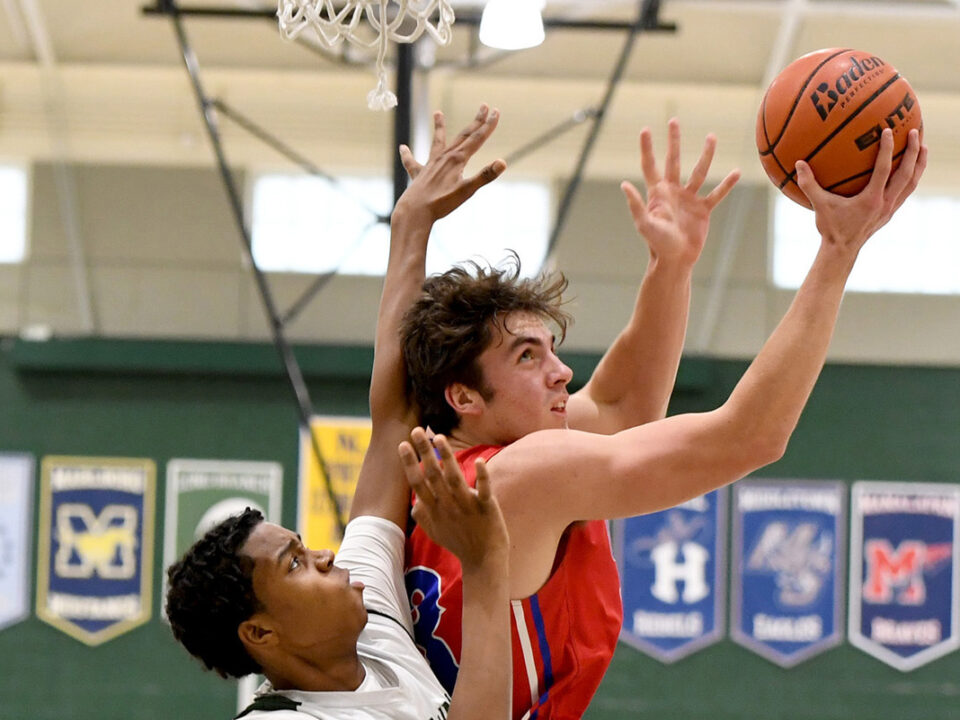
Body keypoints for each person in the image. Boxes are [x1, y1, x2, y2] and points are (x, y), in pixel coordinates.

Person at [389, 105, 927, 718]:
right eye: (527, 357)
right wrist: (838, 251)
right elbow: (748, 438)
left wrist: (670, 268)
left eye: (553, 350)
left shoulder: (455, 470)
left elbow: (622, 408)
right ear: (463, 396)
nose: (562, 372)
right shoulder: (518, 476)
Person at [165, 107, 512, 717]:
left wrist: (410, 226)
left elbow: (395, 414)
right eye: (295, 563)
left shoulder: (370, 626)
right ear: (262, 633)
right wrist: (484, 570)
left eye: (303, 547)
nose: (325, 557)